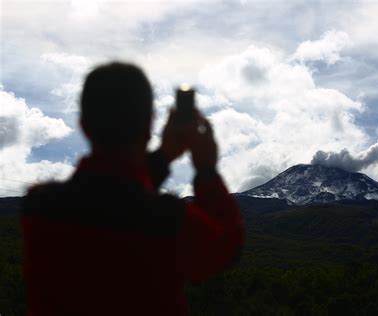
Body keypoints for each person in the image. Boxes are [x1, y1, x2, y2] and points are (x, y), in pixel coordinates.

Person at [21, 62, 244, 315]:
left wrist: (163, 157)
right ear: (150, 125)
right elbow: (225, 247)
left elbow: (110, 196)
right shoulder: (168, 220)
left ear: (83, 124)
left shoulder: (40, 206)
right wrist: (206, 171)